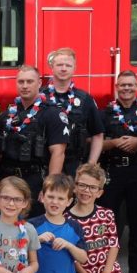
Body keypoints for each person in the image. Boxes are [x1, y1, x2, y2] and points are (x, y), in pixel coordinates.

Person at [0, 66, 69, 216]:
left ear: (39, 83)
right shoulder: (7, 116)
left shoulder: (52, 114)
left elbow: (58, 153)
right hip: (7, 180)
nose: (25, 86)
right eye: (21, 81)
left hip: (35, 181)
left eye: (29, 81)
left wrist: (49, 187)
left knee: (33, 228)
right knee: (5, 227)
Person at [99, 70, 137, 273]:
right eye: (122, 85)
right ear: (116, 87)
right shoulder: (104, 114)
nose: (126, 88)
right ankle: (104, 266)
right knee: (107, 222)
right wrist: (113, 143)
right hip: (111, 172)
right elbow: (92, 142)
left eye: (130, 85)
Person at [43, 48, 104, 177]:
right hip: (44, 164)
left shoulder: (85, 99)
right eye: (59, 65)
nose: (64, 69)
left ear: (74, 68)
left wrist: (90, 166)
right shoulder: (40, 97)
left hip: (74, 166)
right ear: (52, 67)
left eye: (68, 65)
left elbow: (98, 135)